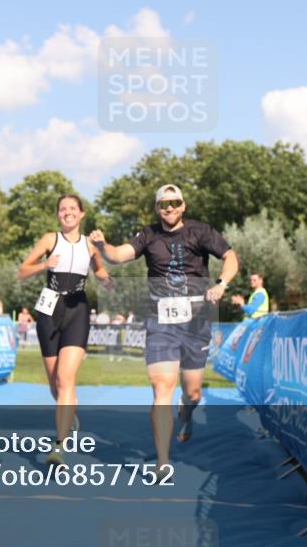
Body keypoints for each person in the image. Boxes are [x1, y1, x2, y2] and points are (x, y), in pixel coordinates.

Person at [89, 184, 238, 477]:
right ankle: (163, 462)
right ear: (157, 209)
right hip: (160, 320)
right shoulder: (148, 235)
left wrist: (221, 284)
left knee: (192, 393)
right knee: (161, 388)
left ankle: (186, 414)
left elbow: (231, 257)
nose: (169, 208)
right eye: (163, 205)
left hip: (195, 319)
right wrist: (103, 246)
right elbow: (119, 256)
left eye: (174, 203)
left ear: (183, 206)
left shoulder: (200, 231)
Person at [18, 194, 113, 466]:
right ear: (58, 214)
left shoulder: (90, 245)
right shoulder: (50, 239)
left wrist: (112, 285)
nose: (67, 212)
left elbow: (101, 272)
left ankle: (59, 445)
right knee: (55, 384)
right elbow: (22, 272)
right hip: (49, 309)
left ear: (82, 214)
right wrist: (44, 265)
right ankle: (70, 417)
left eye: (73, 208)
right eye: (63, 209)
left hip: (77, 309)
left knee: (65, 378)